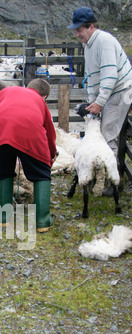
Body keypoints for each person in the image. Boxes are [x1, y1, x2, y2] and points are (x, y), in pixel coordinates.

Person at [67, 7, 132, 194]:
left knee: (106, 134)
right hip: (109, 93)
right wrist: (92, 101)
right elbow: (93, 77)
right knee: (101, 132)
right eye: (76, 30)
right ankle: (101, 178)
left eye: (80, 29)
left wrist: (100, 101)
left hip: (120, 91)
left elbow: (110, 74)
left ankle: (111, 182)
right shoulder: (88, 46)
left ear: (91, 27)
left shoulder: (103, 41)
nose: (77, 33)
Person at [0, 78, 56, 231]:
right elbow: (49, 132)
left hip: (1, 130)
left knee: (4, 172)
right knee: (41, 174)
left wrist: (0, 125)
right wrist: (50, 156)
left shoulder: (7, 90)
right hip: (29, 130)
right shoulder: (39, 102)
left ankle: (4, 218)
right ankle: (42, 221)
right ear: (44, 96)